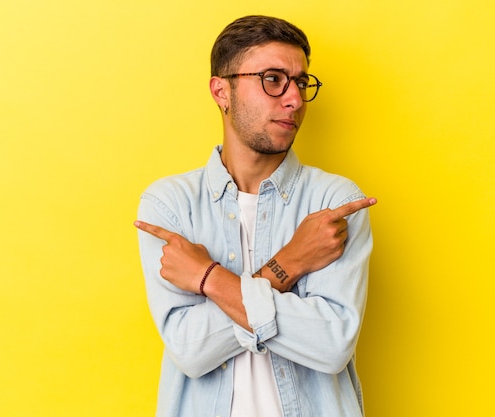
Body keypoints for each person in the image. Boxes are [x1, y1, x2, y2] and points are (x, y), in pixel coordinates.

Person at [134, 15, 376, 417]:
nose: (294, 99)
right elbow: (191, 351)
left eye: (300, 82)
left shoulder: (333, 202)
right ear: (221, 91)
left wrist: (209, 279)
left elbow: (332, 344)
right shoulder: (168, 205)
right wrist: (291, 262)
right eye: (272, 79)